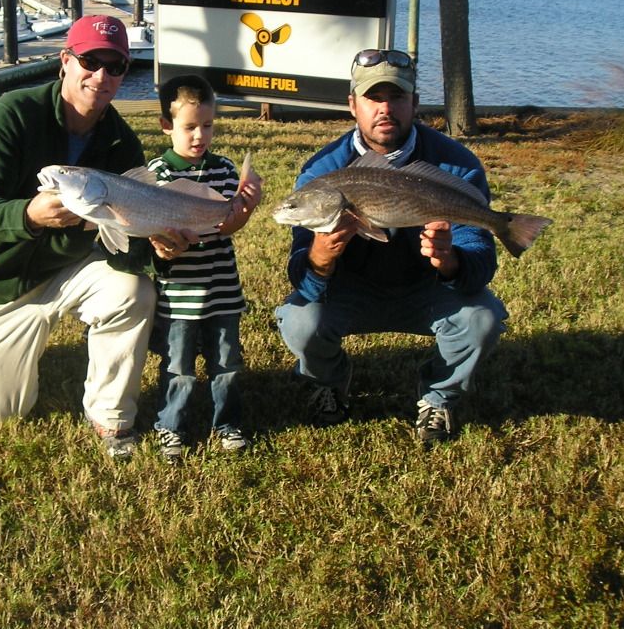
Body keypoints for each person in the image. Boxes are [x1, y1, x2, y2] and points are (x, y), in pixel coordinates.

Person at [0, 14, 190, 460]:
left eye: (115, 66)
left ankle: (111, 414)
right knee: (3, 414)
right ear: (65, 61)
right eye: (89, 61)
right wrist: (28, 215)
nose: (100, 76)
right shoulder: (13, 114)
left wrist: (158, 246)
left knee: (133, 290)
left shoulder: (121, 143)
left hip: (68, 270)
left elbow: (128, 239)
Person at [274, 49, 508, 444]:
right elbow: (303, 278)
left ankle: (438, 396)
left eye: (396, 97)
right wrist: (319, 260)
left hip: (426, 291)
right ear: (352, 105)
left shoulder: (456, 164)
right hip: (350, 292)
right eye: (372, 98)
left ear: (414, 103)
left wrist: (450, 260)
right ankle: (330, 383)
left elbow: (481, 263)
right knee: (299, 320)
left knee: (482, 318)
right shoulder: (322, 171)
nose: (385, 109)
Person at [147, 75, 263, 463]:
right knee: (178, 366)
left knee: (226, 362)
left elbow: (226, 225)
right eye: (189, 127)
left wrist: (244, 208)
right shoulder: (157, 176)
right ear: (167, 125)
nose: (200, 136)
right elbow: (156, 232)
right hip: (178, 294)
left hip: (222, 290)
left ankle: (227, 423)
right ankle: (170, 426)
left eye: (208, 126)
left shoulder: (226, 170)